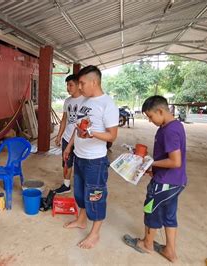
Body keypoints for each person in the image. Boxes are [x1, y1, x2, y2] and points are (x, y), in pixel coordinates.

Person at [123, 95, 187, 263]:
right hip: (175, 182)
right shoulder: (175, 125)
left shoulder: (169, 131)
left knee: (151, 210)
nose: (151, 121)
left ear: (160, 110)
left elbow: (175, 161)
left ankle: (147, 244)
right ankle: (170, 251)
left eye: (151, 116)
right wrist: (154, 168)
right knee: (169, 214)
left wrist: (149, 163)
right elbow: (171, 159)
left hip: (164, 183)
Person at [63, 65, 118, 249]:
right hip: (79, 155)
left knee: (95, 195)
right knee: (79, 193)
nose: (80, 87)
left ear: (94, 82)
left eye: (82, 83)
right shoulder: (85, 102)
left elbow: (112, 135)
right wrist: (69, 147)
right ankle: (81, 220)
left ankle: (95, 234)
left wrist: (93, 133)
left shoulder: (107, 104)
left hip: (95, 160)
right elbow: (78, 127)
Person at [54, 74, 85, 194]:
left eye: (71, 85)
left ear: (78, 85)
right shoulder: (67, 101)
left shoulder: (86, 100)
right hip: (67, 137)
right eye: (67, 85)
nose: (68, 88)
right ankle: (66, 185)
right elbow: (64, 120)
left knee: (82, 163)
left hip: (81, 138)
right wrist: (59, 136)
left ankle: (82, 185)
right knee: (66, 161)